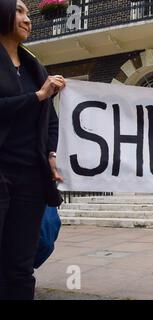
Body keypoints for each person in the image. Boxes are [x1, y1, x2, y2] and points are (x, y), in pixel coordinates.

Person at [0, 0, 66, 300]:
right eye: (21, 11)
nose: (29, 19)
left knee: (21, 266)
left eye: (28, 13)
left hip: (30, 177)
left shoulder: (33, 66)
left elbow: (50, 119)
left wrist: (51, 154)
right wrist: (37, 96)